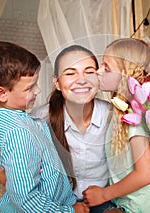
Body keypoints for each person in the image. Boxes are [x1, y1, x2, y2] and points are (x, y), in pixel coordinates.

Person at [0, 41, 89, 213]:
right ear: (1, 93)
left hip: (60, 199)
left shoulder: (18, 121)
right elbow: (27, 199)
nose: (37, 90)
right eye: (30, 87)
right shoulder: (18, 132)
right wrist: (71, 211)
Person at [82, 38, 150, 212]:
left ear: (126, 74)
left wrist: (103, 195)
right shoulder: (121, 112)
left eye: (106, 68)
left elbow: (145, 175)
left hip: (147, 204)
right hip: (133, 202)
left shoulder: (134, 116)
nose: (98, 72)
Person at [31, 45, 117, 213]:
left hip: (104, 199)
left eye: (89, 71)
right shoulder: (40, 119)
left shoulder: (114, 114)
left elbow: (140, 153)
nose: (81, 80)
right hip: (57, 202)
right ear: (57, 82)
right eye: (70, 73)